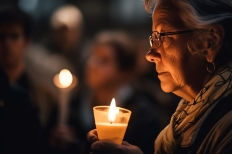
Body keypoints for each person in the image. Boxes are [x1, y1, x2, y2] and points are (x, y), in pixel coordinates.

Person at [87, 0, 232, 153]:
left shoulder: (226, 128)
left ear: (210, 42)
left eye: (163, 36)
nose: (150, 55)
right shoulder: (186, 122)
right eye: (153, 39)